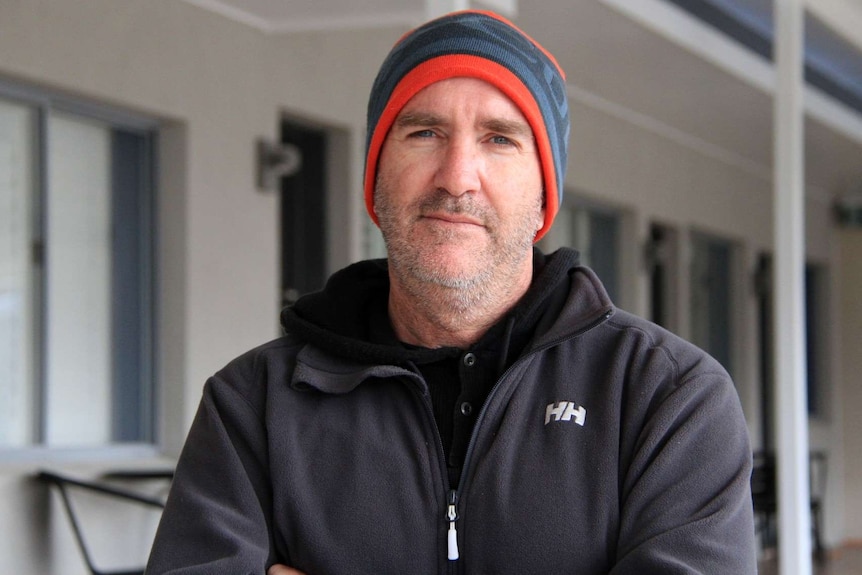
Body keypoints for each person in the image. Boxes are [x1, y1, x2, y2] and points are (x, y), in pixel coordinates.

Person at [146, 9, 757, 575]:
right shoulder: (253, 407)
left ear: (545, 194)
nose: (457, 176)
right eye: (424, 133)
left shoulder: (666, 398)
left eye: (499, 138)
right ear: (376, 177)